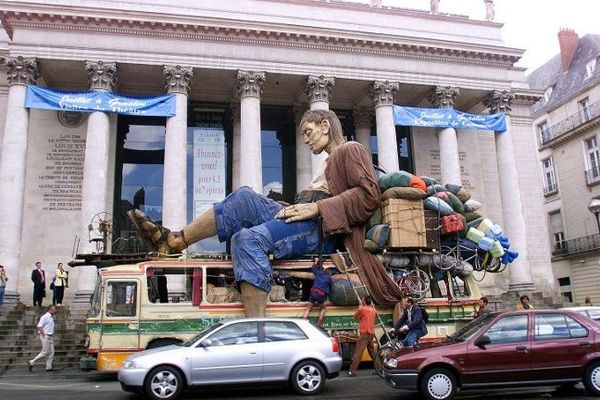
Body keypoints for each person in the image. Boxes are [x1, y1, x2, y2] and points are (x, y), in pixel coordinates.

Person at [127, 109, 403, 317]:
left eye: (308, 132)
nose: (305, 139)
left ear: (325, 126)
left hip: (321, 227)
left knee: (246, 240)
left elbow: (369, 197)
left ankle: (257, 332)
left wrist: (317, 207)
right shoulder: (328, 161)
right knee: (244, 197)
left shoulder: (351, 150)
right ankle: (174, 241)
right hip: (303, 214)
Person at [347, 296, 377, 377]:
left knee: (358, 352)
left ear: (364, 301)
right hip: (371, 333)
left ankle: (352, 371)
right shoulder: (373, 310)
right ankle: (380, 369)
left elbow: (355, 317)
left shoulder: (362, 309)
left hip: (364, 333)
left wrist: (359, 308)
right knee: (373, 352)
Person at [302, 258, 333, 327]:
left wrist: (315, 261)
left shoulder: (319, 274)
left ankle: (303, 323)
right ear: (329, 273)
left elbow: (313, 268)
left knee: (308, 309)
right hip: (320, 295)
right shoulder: (329, 278)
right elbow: (330, 289)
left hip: (313, 293)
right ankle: (319, 324)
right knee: (324, 308)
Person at [28, 304, 57, 372]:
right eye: (54, 309)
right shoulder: (45, 317)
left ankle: (48, 366)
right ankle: (32, 361)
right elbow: (39, 326)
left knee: (52, 352)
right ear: (50, 309)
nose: (55, 310)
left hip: (50, 336)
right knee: (45, 352)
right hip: (46, 336)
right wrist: (44, 335)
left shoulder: (51, 317)